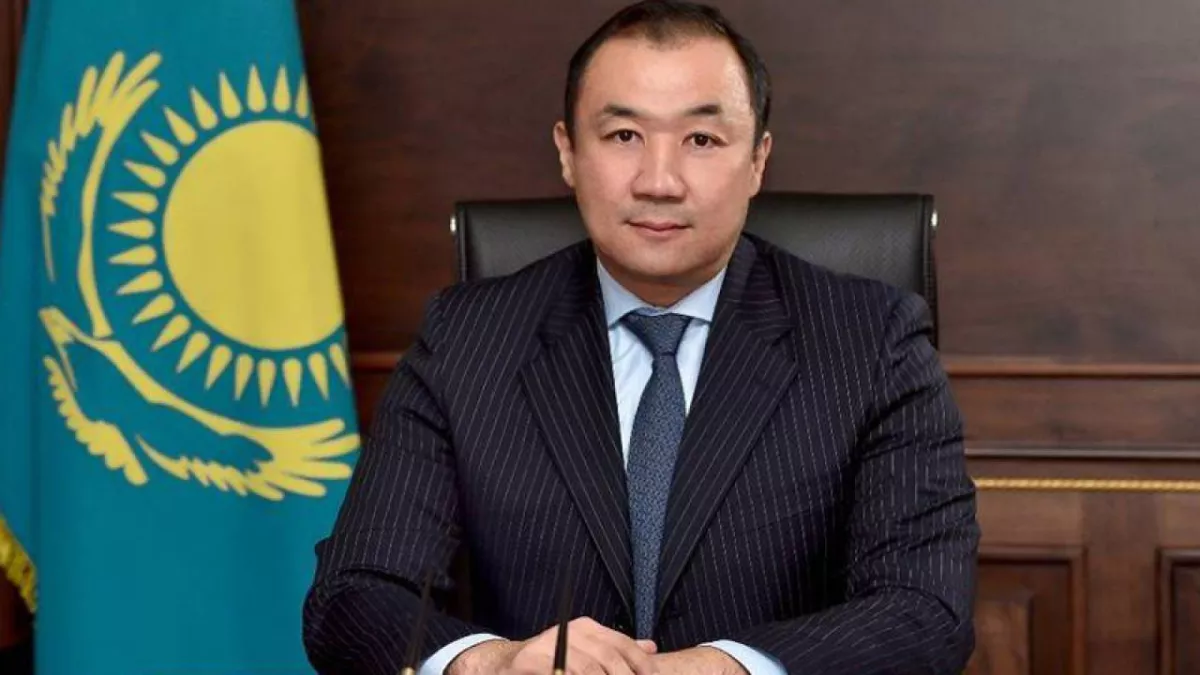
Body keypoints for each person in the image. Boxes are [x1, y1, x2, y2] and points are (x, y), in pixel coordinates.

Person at [302, 1, 980, 673]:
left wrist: (714, 669)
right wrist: (496, 663)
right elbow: (353, 597)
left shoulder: (873, 343)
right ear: (568, 153)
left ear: (757, 161)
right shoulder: (465, 341)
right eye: (624, 135)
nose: (659, 181)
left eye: (702, 140)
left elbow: (925, 610)